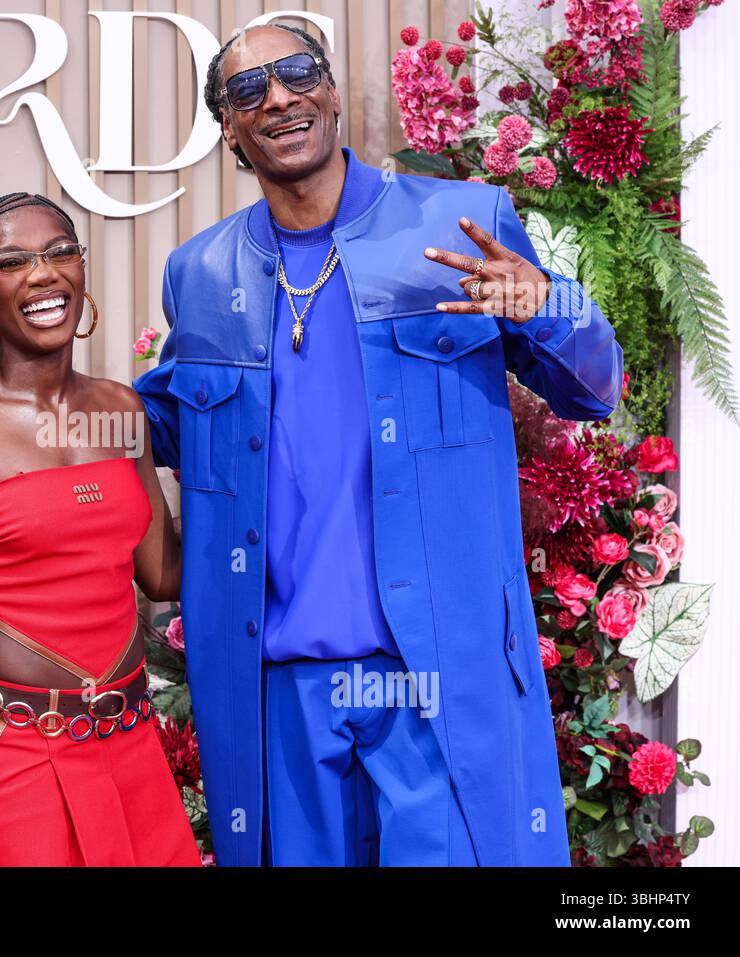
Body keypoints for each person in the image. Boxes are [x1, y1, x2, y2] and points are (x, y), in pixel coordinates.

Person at [133, 23, 623, 866]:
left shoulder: (461, 223)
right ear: (227, 128)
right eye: (249, 90)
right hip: (279, 683)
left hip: (434, 667)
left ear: (329, 89)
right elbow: (162, 431)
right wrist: (29, 405)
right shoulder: (200, 272)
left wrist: (545, 302)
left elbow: (595, 387)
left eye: (296, 74)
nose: (278, 97)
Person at [0, 192, 200, 867]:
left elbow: (163, 572)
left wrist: (245, 467)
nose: (43, 274)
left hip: (131, 746)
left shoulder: (119, 409)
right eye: (12, 260)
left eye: (60, 252)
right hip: (11, 756)